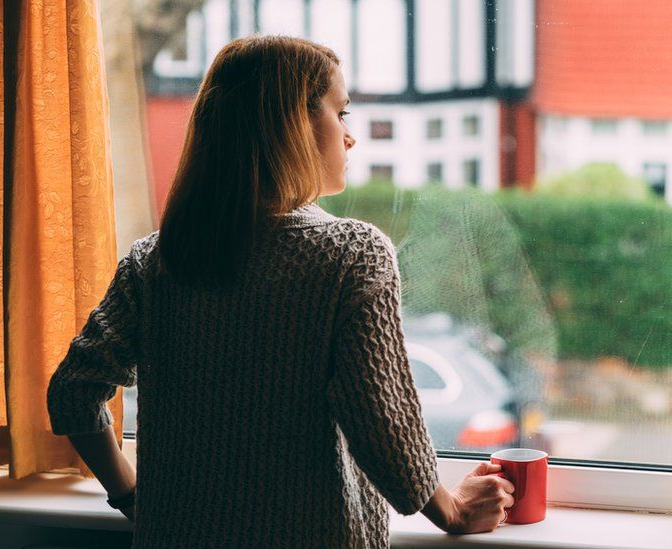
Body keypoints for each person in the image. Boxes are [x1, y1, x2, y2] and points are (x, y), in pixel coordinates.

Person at [45, 35, 515, 548]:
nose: (351, 137)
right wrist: (451, 510)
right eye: (342, 113)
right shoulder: (351, 254)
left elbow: (73, 391)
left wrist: (133, 497)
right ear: (293, 123)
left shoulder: (156, 260)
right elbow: (382, 419)